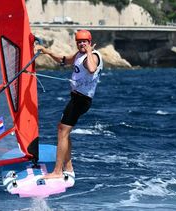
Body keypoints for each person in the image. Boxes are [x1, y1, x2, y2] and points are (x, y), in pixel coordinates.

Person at [35, 30, 103, 179]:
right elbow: (64, 60)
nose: (82, 44)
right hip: (76, 98)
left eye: (85, 41)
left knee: (62, 132)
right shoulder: (79, 55)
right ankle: (68, 166)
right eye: (79, 42)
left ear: (90, 42)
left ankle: (58, 172)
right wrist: (47, 52)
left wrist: (90, 52)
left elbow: (91, 69)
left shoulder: (93, 57)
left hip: (82, 100)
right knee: (63, 130)